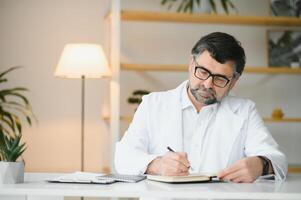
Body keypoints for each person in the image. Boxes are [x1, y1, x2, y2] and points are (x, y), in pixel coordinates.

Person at [114, 32, 287, 182]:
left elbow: (278, 161)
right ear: (191, 64)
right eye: (203, 72)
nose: (207, 84)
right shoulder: (153, 104)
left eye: (219, 79)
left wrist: (261, 165)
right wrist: (156, 165)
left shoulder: (245, 111)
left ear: (234, 81)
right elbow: (123, 157)